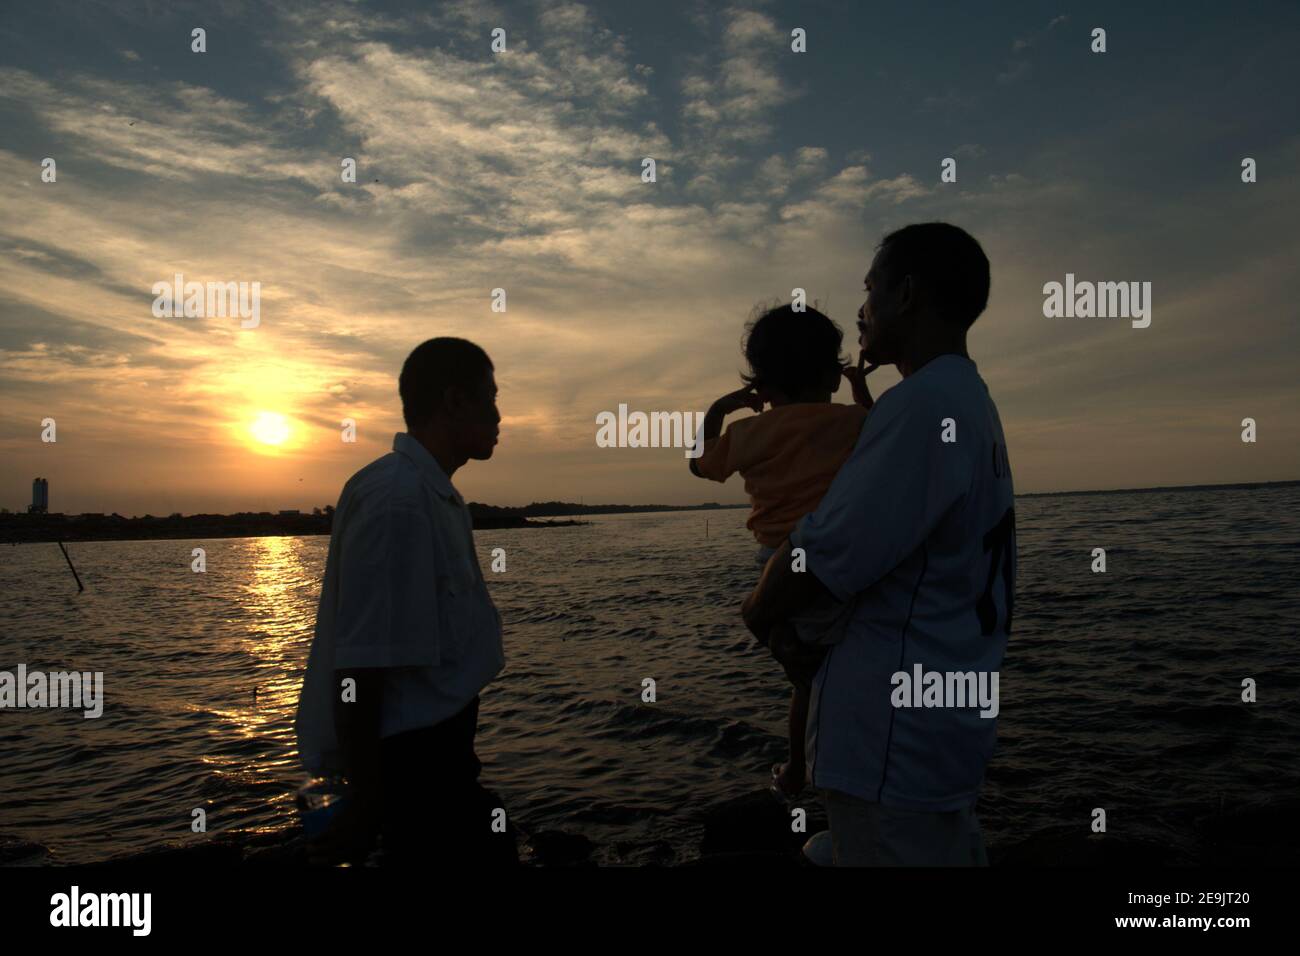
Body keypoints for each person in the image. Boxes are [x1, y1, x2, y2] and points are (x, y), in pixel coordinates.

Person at [742, 223, 1015, 866]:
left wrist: (757, 614)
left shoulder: (922, 406)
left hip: (893, 743)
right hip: (935, 729)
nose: (861, 313)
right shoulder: (966, 399)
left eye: (870, 292)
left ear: (908, 293)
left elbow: (822, 553)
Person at [294, 336, 517, 866]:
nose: (499, 414)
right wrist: (368, 805)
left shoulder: (426, 491)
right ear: (453, 401)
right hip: (415, 767)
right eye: (489, 397)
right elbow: (360, 667)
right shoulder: (400, 501)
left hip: (440, 758)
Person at [690, 303, 878, 802]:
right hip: (841, 556)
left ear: (761, 388)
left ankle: (797, 772)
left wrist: (720, 409)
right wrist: (861, 392)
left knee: (807, 679)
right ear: (832, 377)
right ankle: (834, 780)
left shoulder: (747, 433)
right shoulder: (853, 422)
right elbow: (888, 440)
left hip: (775, 562)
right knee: (840, 673)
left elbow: (700, 466)